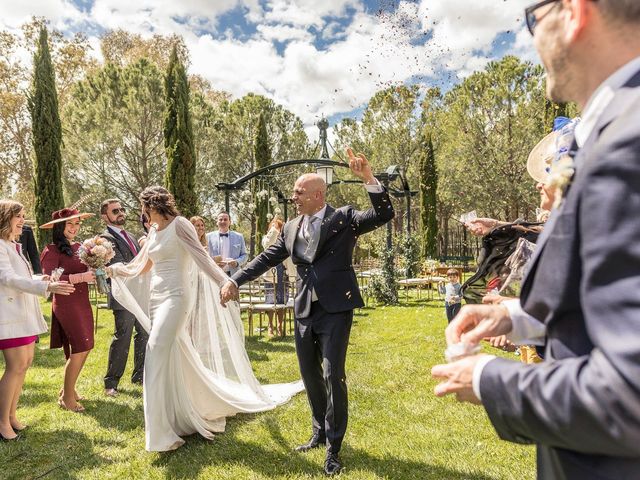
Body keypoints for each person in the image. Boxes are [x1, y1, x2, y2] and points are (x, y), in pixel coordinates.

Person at [431, 1, 640, 478]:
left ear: (574, 11)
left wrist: (487, 378)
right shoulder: (615, 128)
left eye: (532, 18)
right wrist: (516, 318)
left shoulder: (628, 143)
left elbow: (630, 392)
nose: (532, 38)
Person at [221, 148, 395, 476]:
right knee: (310, 376)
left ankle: (334, 447)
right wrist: (236, 281)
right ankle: (318, 431)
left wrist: (369, 179)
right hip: (304, 310)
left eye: (299, 192)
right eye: (294, 192)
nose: (294, 196)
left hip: (336, 309)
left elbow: (383, 215)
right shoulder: (289, 228)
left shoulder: (344, 218)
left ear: (317, 195)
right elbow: (265, 258)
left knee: (332, 374)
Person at [107, 186, 303, 452]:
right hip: (156, 298)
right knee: (176, 353)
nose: (143, 214)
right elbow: (144, 265)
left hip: (176, 298)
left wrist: (228, 282)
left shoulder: (181, 225)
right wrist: (118, 270)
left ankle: (161, 434)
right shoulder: (154, 231)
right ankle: (182, 413)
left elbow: (202, 259)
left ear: (151, 206)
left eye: (144, 208)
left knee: (154, 349)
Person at [0, 200, 74, 440]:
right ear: (5, 218)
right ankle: (1, 423)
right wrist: (47, 286)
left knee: (25, 363)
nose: (23, 220)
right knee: (16, 366)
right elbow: (8, 279)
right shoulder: (0, 246)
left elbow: (24, 275)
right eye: (18, 216)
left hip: (23, 314)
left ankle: (11, 415)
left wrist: (41, 278)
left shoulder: (13, 245)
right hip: (10, 315)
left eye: (23, 216)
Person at [40, 208, 96, 413]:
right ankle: (67, 398)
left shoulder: (81, 247)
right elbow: (49, 280)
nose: (74, 228)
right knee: (79, 347)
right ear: (59, 227)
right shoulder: (51, 250)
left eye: (77, 223)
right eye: (69, 224)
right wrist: (79, 278)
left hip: (82, 301)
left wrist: (96, 268)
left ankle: (68, 390)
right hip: (65, 303)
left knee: (87, 346)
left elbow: (88, 271)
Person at [100, 199, 148, 397]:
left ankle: (140, 376)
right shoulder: (104, 239)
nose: (120, 213)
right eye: (115, 211)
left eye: (121, 209)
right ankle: (111, 382)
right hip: (122, 294)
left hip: (139, 293)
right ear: (105, 217)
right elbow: (121, 264)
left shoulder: (131, 236)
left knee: (144, 334)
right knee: (123, 336)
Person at [261, 217, 295, 336]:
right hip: (270, 276)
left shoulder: (285, 240)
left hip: (283, 276)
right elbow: (268, 244)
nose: (276, 229)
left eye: (279, 227)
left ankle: (280, 325)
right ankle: (270, 325)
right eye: (273, 227)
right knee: (270, 303)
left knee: (282, 303)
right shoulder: (266, 239)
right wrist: (274, 229)